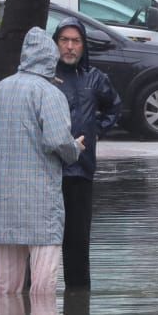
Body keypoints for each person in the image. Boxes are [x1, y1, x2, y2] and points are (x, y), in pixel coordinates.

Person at [0, 27, 84, 296]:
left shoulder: (0, 89)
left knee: (3, 287)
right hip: (41, 202)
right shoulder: (49, 93)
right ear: (50, 57)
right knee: (43, 288)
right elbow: (57, 141)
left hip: (5, 203)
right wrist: (76, 148)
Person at [53, 17, 122, 289]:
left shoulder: (95, 78)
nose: (69, 47)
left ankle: (78, 300)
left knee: (78, 240)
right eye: (64, 41)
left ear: (83, 46)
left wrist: (95, 131)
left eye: (75, 41)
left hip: (81, 170)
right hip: (49, 170)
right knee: (42, 240)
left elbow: (114, 107)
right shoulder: (47, 77)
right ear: (56, 44)